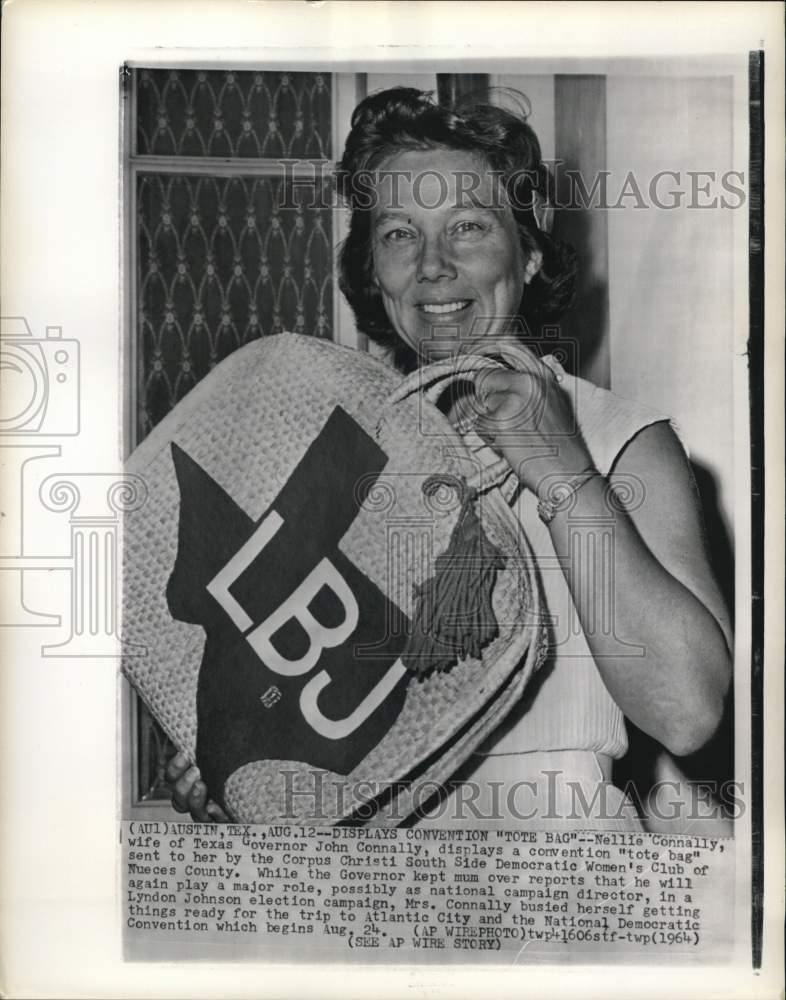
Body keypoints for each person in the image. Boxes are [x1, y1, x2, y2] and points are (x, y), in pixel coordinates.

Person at [166, 86, 732, 828]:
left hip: (550, 887)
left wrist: (562, 472)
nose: (433, 265)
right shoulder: (335, 453)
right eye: (400, 233)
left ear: (527, 253)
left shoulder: (617, 439)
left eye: (466, 226)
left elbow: (689, 713)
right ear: (372, 269)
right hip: (376, 898)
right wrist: (233, 768)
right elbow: (311, 710)